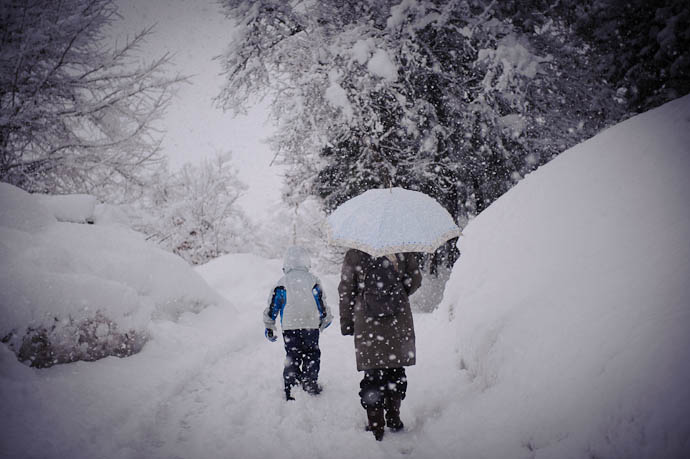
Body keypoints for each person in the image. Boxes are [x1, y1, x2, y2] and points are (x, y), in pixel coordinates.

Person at [338, 249, 422, 441]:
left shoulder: (355, 252)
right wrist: (398, 294)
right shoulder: (402, 248)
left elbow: (346, 289)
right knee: (396, 370)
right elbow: (416, 279)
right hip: (397, 320)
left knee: (372, 374)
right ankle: (394, 416)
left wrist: (347, 321)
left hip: (367, 323)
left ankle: (375, 424)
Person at [264, 246, 332, 400]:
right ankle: (309, 381)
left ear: (287, 263)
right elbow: (320, 302)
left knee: (293, 355)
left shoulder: (283, 282)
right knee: (312, 354)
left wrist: (269, 324)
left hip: (290, 328)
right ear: (306, 261)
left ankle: (291, 386)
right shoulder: (313, 280)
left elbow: (273, 305)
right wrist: (325, 318)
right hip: (310, 326)